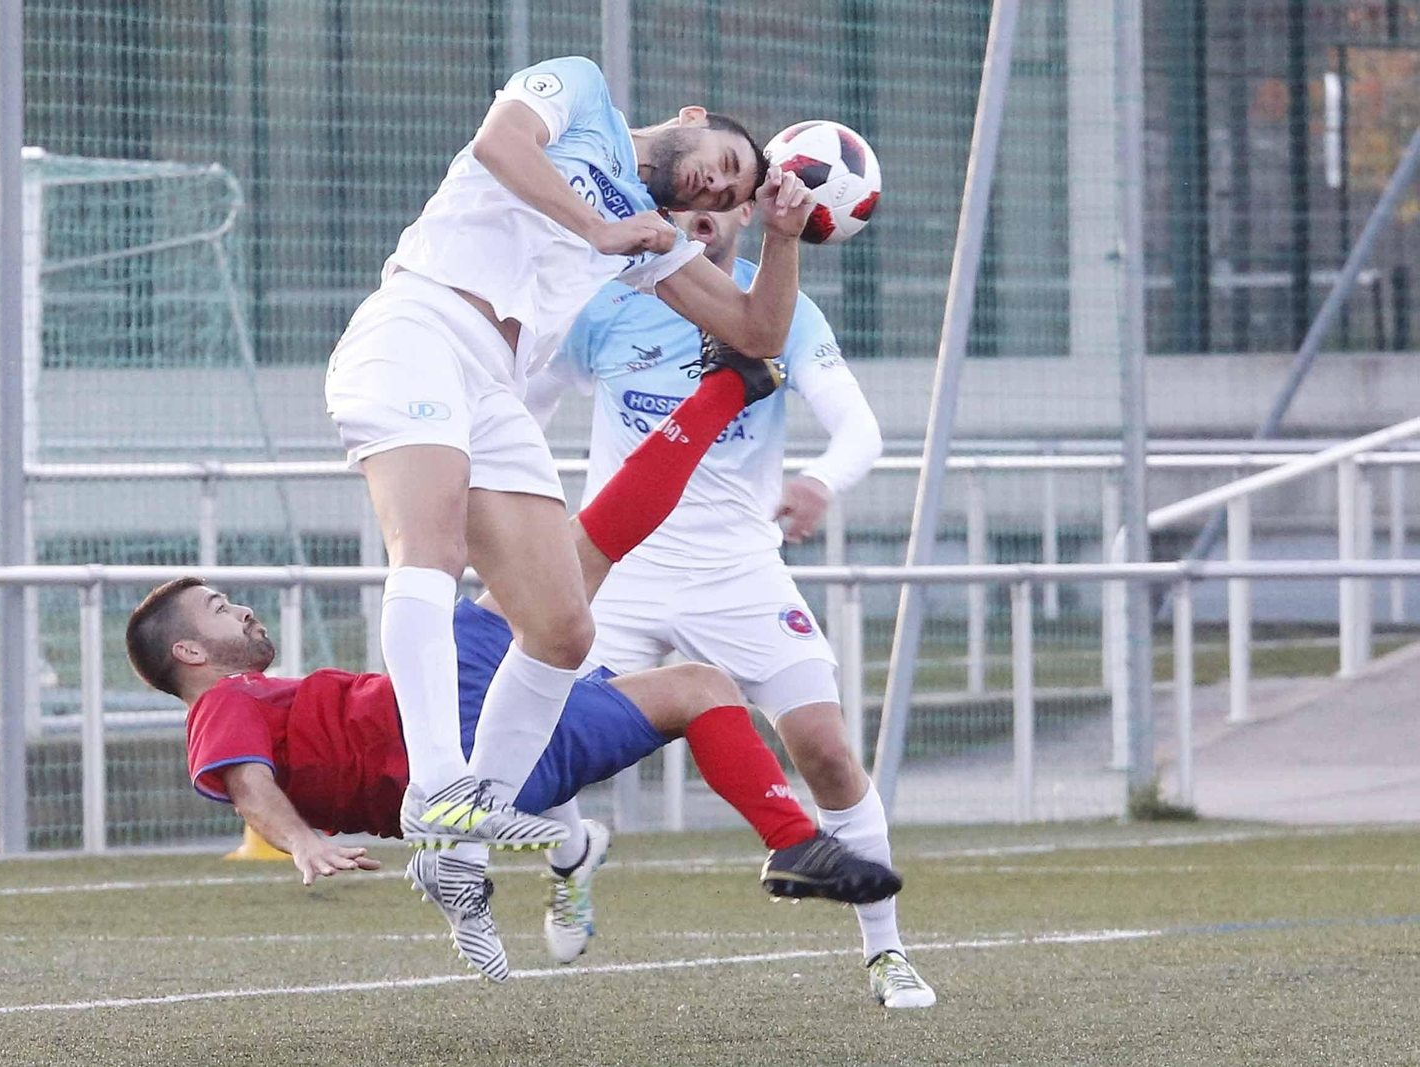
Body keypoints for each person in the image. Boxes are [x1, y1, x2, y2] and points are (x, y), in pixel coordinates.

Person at [124, 375, 900, 983]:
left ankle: (793, 842)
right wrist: (298, 843)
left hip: (512, 775)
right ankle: (728, 385)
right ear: (191, 654)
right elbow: (248, 784)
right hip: (447, 718)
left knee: (700, 686)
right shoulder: (223, 703)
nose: (244, 613)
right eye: (221, 610)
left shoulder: (256, 697)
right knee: (586, 542)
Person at [322, 51, 815, 893]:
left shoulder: (644, 223)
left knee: (561, 628)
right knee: (430, 551)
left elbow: (756, 331)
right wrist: (598, 231)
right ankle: (438, 785)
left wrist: (780, 235)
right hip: (419, 322)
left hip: (493, 379)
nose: (712, 189)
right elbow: (498, 147)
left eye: (726, 199)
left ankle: (462, 839)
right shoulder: (581, 90)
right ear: (694, 116)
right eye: (724, 166)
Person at [528, 201, 936, 1009]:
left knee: (823, 745)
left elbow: (860, 429)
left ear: (750, 209)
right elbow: (524, 401)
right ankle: (572, 854)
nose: (700, 214)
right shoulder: (607, 301)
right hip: (622, 567)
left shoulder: (779, 307)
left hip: (739, 570)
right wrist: (520, 508)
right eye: (683, 197)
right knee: (537, 741)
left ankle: (887, 952)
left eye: (721, 196)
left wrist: (821, 479)